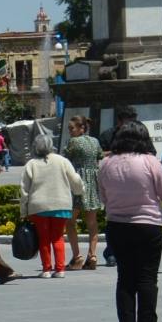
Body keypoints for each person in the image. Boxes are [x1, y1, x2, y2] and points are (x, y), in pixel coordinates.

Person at [100, 122, 162, 322]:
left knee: (124, 278)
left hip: (117, 225)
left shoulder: (106, 164)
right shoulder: (149, 161)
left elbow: (103, 196)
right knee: (147, 277)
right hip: (148, 224)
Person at [17, 128, 84, 278]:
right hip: (61, 205)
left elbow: (24, 190)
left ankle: (46, 269)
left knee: (44, 238)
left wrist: (23, 211)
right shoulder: (62, 161)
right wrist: (80, 191)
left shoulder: (31, 164)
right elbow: (75, 180)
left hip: (38, 207)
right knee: (58, 237)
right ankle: (60, 269)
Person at [65, 115, 104, 270]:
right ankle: (92, 254)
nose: (70, 132)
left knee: (70, 221)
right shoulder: (95, 141)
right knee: (92, 222)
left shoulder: (73, 142)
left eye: (71, 128)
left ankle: (77, 257)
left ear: (81, 128)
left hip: (77, 182)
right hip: (92, 182)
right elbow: (100, 156)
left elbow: (66, 158)